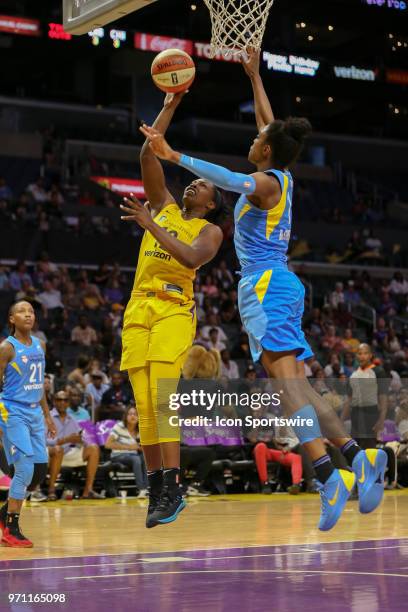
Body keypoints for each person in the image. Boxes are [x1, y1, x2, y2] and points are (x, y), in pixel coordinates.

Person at [140, 47, 387, 531]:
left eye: (259, 139)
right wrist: (255, 77)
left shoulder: (261, 182)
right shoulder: (284, 175)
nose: (255, 137)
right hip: (284, 285)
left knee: (286, 390)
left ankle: (325, 475)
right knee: (301, 387)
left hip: (265, 286)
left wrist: (175, 156)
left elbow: (230, 178)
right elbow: (269, 124)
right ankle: (358, 458)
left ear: (267, 151)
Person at [118, 91, 223, 528]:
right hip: (138, 310)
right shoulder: (162, 205)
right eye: (193, 181)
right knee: (144, 406)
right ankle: (158, 489)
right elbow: (149, 151)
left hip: (174, 311)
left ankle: (174, 485)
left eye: (203, 186)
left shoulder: (209, 230)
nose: (193, 184)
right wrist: (171, 102)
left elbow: (190, 258)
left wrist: (149, 226)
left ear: (211, 203)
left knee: (164, 400)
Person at [0, 301, 57, 547]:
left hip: (35, 413)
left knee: (39, 472)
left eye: (31, 311)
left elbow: (39, 385)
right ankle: (11, 528)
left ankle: (3, 514)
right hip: (12, 411)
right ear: (12, 319)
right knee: (24, 469)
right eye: (22, 311)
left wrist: (47, 414)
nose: (28, 315)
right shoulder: (6, 348)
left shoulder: (40, 345)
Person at [47, 391, 103, 500]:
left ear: (68, 403)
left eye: (65, 400)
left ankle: (88, 491)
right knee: (58, 450)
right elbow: (43, 441)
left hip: (68, 453)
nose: (62, 403)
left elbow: (81, 437)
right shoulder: (48, 418)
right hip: (51, 454)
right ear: (54, 402)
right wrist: (65, 440)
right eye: (59, 400)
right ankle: (51, 490)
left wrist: (82, 439)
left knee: (94, 448)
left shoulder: (72, 419)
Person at [104, 405, 148, 497]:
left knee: (146, 457)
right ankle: (142, 489)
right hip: (118, 456)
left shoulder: (140, 429)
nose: (133, 416)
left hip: (133, 456)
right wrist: (129, 447)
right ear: (125, 416)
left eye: (135, 414)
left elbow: (138, 447)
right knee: (136, 459)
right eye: (130, 414)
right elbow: (107, 444)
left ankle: (148, 488)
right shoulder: (119, 427)